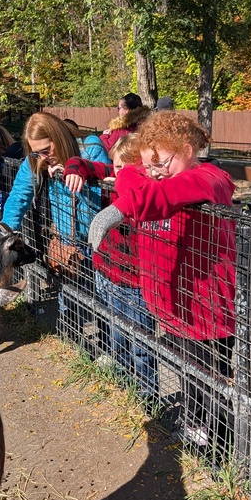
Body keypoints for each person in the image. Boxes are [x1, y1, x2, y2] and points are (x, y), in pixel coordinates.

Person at [88, 110, 236, 454]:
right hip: (172, 303)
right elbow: (128, 178)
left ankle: (217, 450)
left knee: (209, 379)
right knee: (188, 374)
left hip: (204, 306)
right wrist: (133, 185)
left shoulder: (209, 178)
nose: (153, 172)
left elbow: (172, 191)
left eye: (161, 162)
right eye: (147, 164)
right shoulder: (152, 179)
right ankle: (194, 427)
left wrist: (122, 208)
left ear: (187, 149)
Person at [63, 134, 158, 404]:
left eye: (126, 168)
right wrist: (73, 170)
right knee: (117, 336)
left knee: (142, 344)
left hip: (136, 282)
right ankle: (123, 385)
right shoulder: (113, 175)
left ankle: (146, 397)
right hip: (108, 273)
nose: (118, 174)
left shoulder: (147, 193)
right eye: (116, 168)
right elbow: (83, 163)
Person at [2, 112, 109, 341]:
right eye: (37, 151)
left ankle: (106, 349)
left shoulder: (90, 147)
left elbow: (104, 197)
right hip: (67, 242)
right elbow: (20, 194)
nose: (43, 156)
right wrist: (5, 233)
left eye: (46, 149)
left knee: (103, 303)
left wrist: (70, 170)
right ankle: (72, 343)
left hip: (98, 242)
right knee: (69, 300)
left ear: (58, 138)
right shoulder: (37, 158)